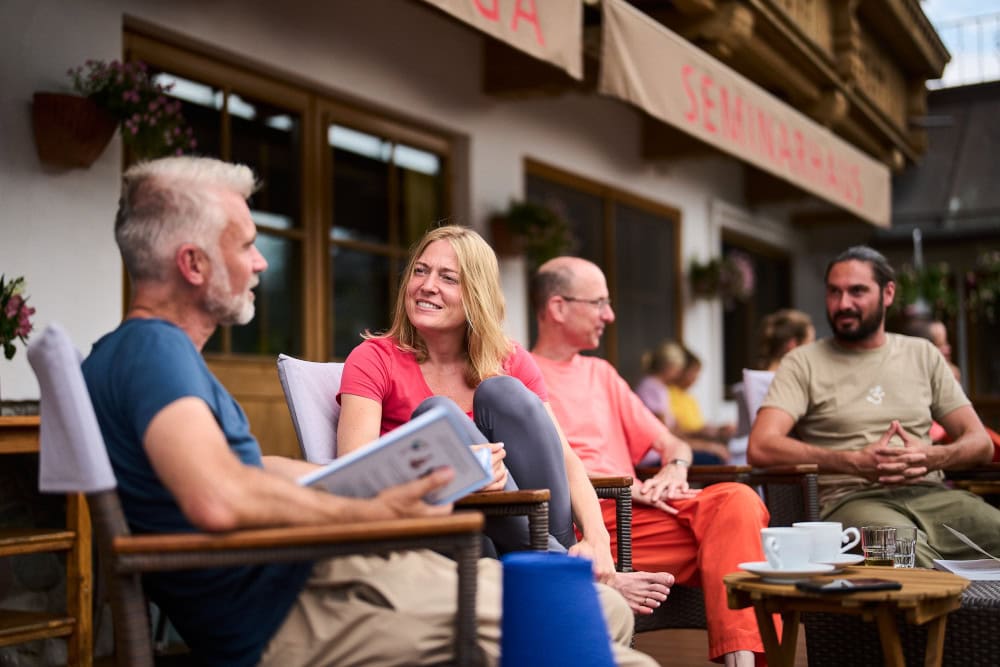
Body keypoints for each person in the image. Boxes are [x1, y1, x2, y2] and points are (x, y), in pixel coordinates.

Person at [82, 157, 656, 667]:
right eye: (245, 244)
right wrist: (374, 507)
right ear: (194, 264)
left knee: (599, 615)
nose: (260, 262)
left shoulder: (155, 357)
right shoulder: (151, 351)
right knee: (600, 618)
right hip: (292, 608)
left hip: (316, 577)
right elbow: (218, 495)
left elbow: (245, 471)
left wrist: (373, 484)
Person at [337, 224, 671, 614]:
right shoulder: (374, 358)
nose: (427, 285)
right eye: (420, 271)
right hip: (446, 529)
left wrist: (597, 541)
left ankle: (561, 567)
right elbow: (353, 472)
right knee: (437, 415)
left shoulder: (510, 358)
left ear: (476, 293)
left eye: (448, 278)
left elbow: (564, 457)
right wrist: (458, 474)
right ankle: (572, 578)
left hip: (530, 534)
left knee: (503, 392)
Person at [530, 256, 774, 667]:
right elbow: (532, 465)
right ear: (557, 307)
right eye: (599, 303)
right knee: (742, 541)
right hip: (594, 525)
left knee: (739, 502)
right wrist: (622, 485)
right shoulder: (521, 372)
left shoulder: (601, 373)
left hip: (645, 515)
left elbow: (672, 443)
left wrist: (673, 469)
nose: (609, 314)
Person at [749, 245, 1000, 568]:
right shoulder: (803, 362)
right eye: (834, 292)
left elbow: (978, 442)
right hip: (851, 500)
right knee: (902, 552)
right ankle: (943, 618)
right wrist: (853, 462)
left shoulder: (922, 354)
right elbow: (762, 445)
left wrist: (930, 457)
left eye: (857, 291)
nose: (843, 304)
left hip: (934, 495)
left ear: (888, 293)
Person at [728, 309, 815, 464]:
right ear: (793, 346)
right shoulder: (779, 385)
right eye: (810, 344)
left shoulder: (749, 382)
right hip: (769, 469)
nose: (814, 353)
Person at [635, 340, 729, 464]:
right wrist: (707, 446)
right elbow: (665, 434)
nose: (679, 373)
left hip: (662, 451)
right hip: (654, 455)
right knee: (713, 459)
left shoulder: (659, 388)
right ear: (668, 367)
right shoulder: (652, 388)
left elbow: (674, 430)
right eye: (678, 369)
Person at [667, 348, 736, 444]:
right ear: (681, 371)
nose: (696, 378)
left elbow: (698, 425)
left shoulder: (689, 398)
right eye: (693, 372)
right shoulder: (667, 395)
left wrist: (719, 430)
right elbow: (674, 432)